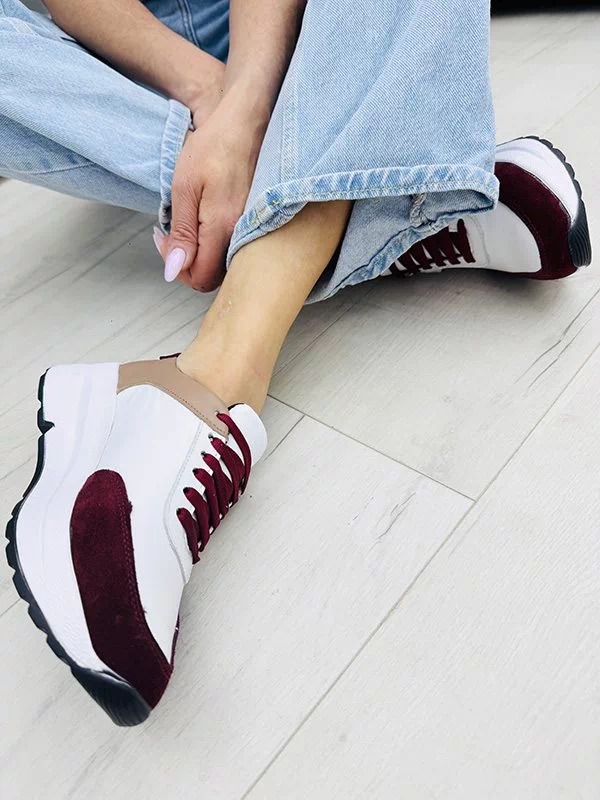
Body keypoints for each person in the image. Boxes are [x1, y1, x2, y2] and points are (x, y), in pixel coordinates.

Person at [2, 0, 591, 726]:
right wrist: (209, 95)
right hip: (118, 64)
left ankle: (209, 379)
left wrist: (249, 102)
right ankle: (397, 189)